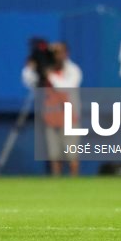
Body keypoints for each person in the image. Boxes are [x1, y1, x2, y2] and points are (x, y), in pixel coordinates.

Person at [22, 41, 83, 177]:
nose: (56, 56)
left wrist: (50, 74)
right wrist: (31, 67)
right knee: (54, 154)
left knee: (71, 153)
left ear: (66, 53)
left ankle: (75, 182)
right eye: (53, 53)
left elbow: (65, 87)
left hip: (69, 117)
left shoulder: (73, 70)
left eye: (59, 52)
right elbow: (28, 81)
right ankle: (57, 182)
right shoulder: (45, 71)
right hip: (50, 116)